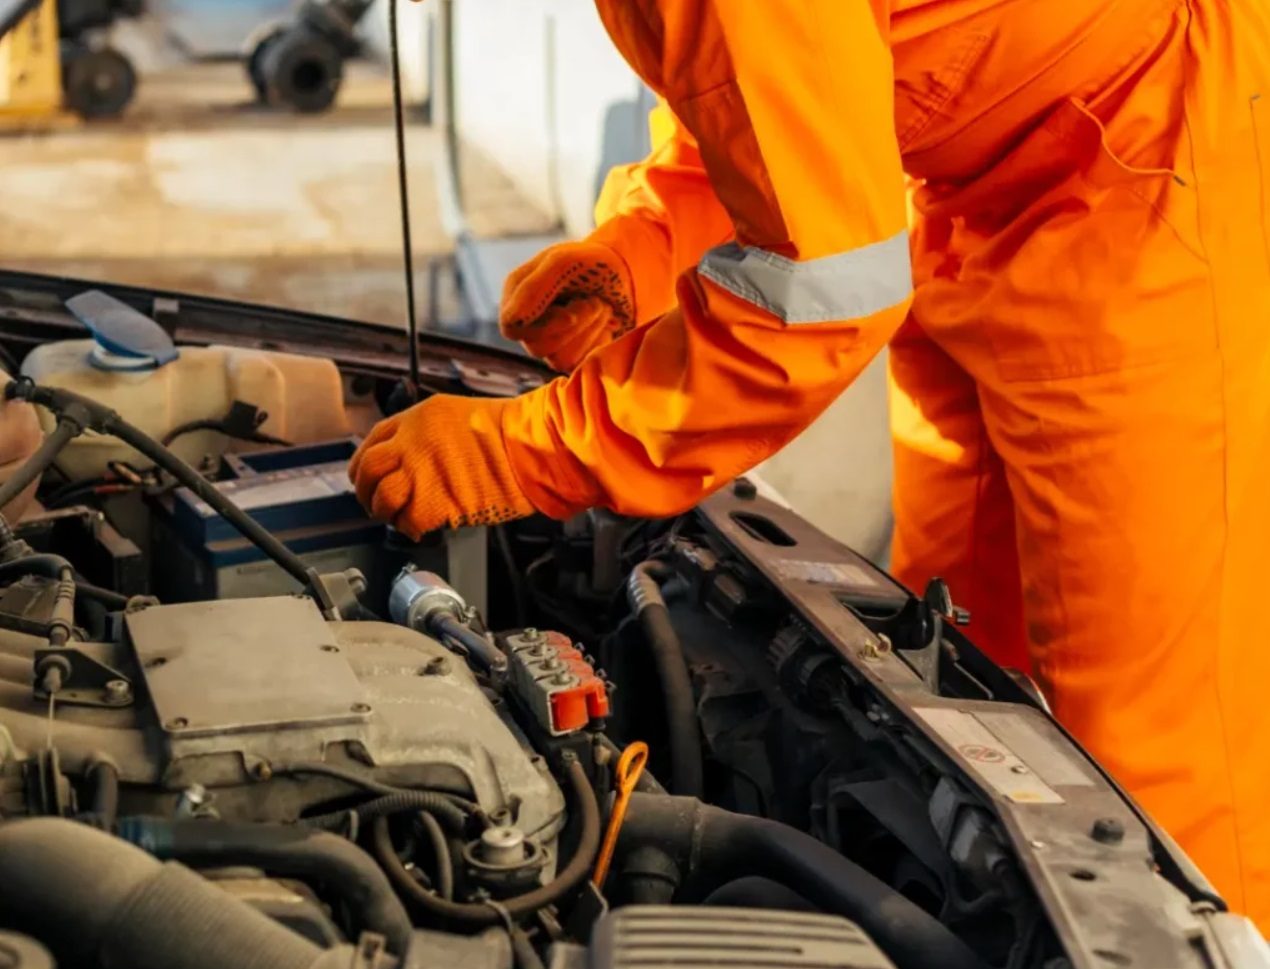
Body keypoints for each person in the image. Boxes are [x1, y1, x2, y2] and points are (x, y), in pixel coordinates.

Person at [352, 0, 1270, 928]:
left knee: (1151, 773)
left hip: (1151, 166)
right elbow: (765, 97)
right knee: (956, 688)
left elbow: (814, 297)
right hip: (972, 185)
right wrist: (644, 243)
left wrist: (535, 446)